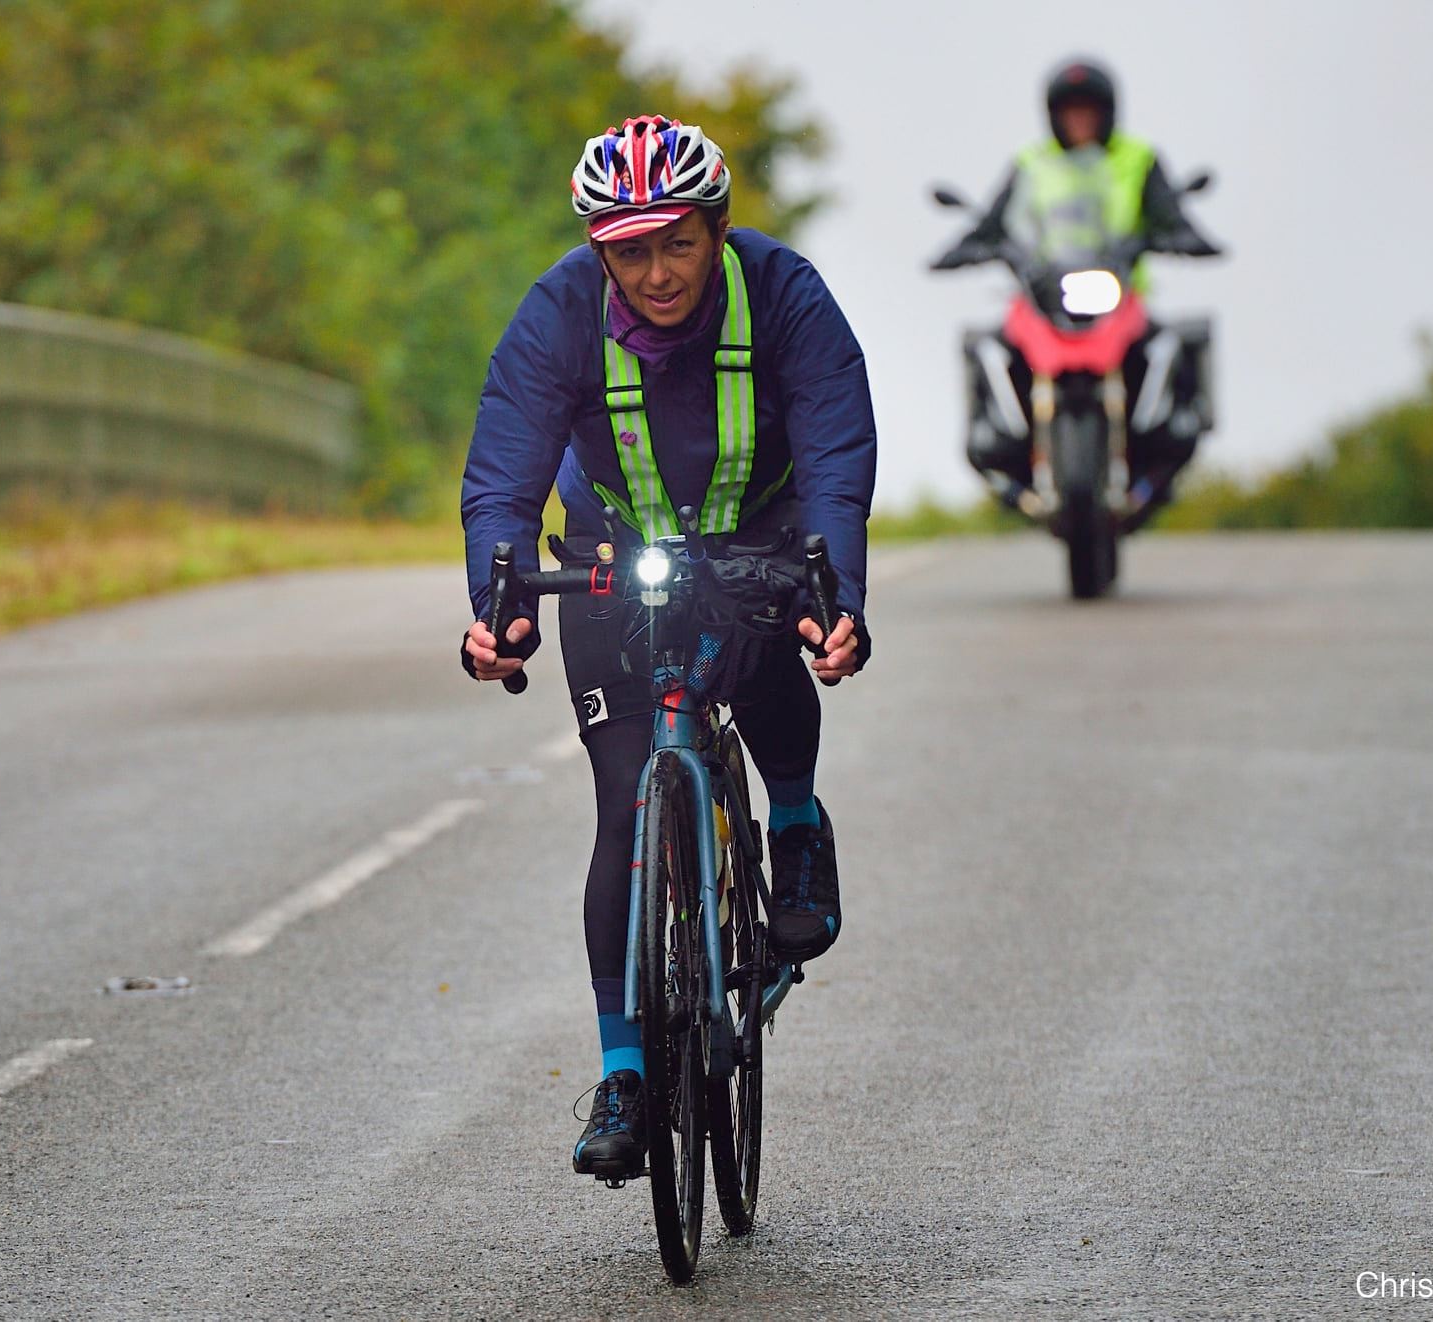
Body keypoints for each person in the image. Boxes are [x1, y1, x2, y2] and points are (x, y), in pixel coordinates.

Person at [460, 115, 876, 1179]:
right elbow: (504, 474)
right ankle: (626, 1073)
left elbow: (833, 451)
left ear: (716, 231)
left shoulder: (785, 296)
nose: (653, 272)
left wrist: (834, 594)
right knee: (619, 805)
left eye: (676, 243)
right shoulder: (557, 310)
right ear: (599, 248)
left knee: (775, 641)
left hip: (759, 535)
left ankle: (793, 821)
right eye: (628, 249)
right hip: (612, 551)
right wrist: (498, 605)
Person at [933, 57, 1222, 514]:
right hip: (1047, 294)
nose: (1080, 121)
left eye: (1088, 110)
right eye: (1071, 112)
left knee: (1172, 353)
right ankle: (1016, 463)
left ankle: (1150, 476)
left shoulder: (1137, 159)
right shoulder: (1032, 164)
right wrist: (964, 248)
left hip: (1118, 295)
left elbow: (1169, 214)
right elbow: (996, 222)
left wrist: (1183, 237)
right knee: (990, 347)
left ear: (1108, 113)